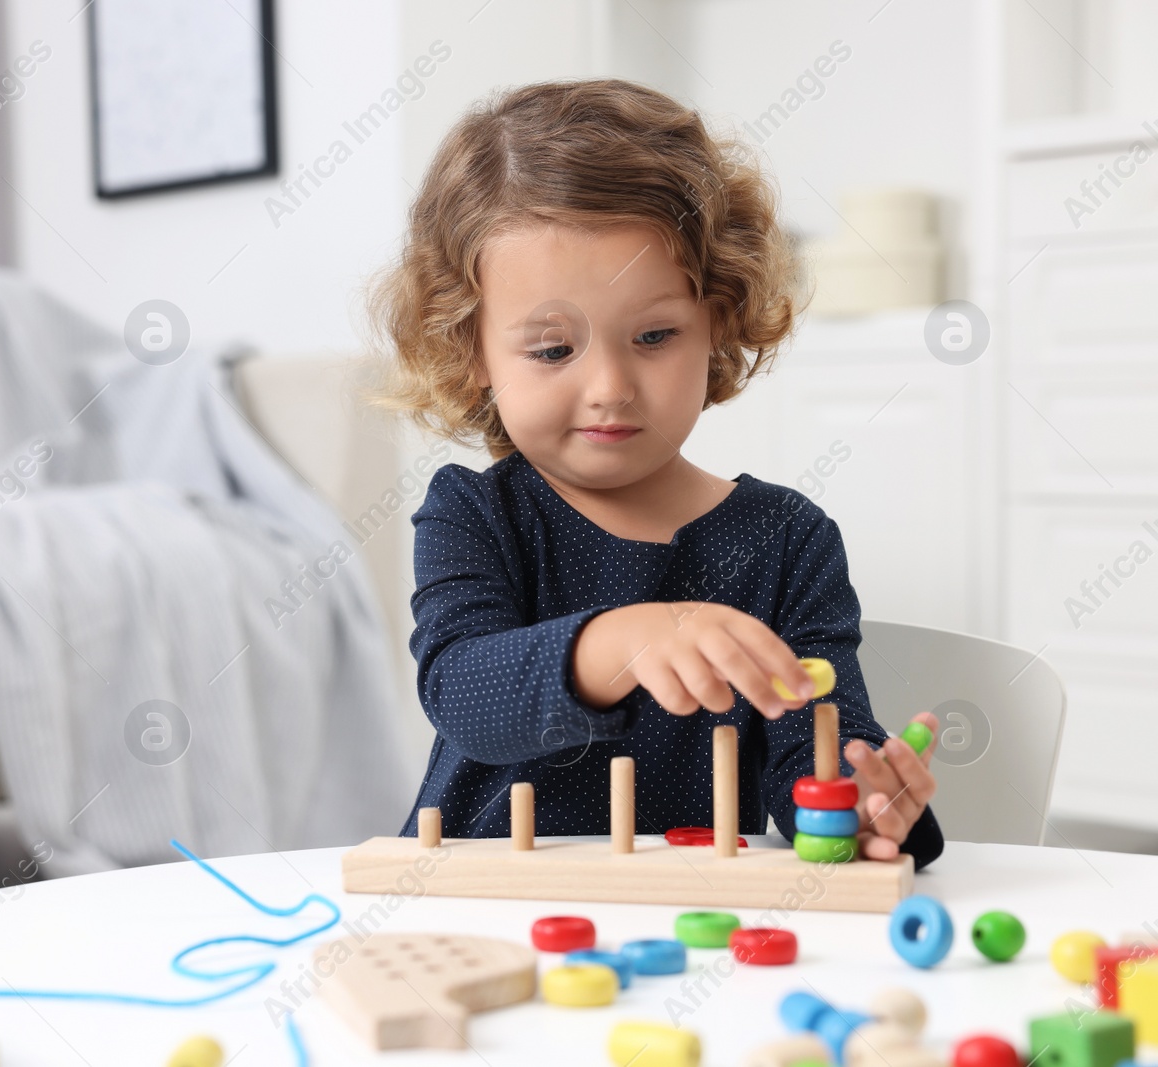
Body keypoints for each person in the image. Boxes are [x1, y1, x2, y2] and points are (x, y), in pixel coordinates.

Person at [364, 79, 942, 869]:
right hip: (485, 906)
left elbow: (811, 751)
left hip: (699, 930)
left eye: (654, 334)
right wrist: (626, 640)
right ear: (473, 352)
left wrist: (866, 804)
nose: (609, 386)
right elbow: (465, 695)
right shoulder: (474, 512)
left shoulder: (788, 539)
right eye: (552, 349)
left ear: (719, 319)